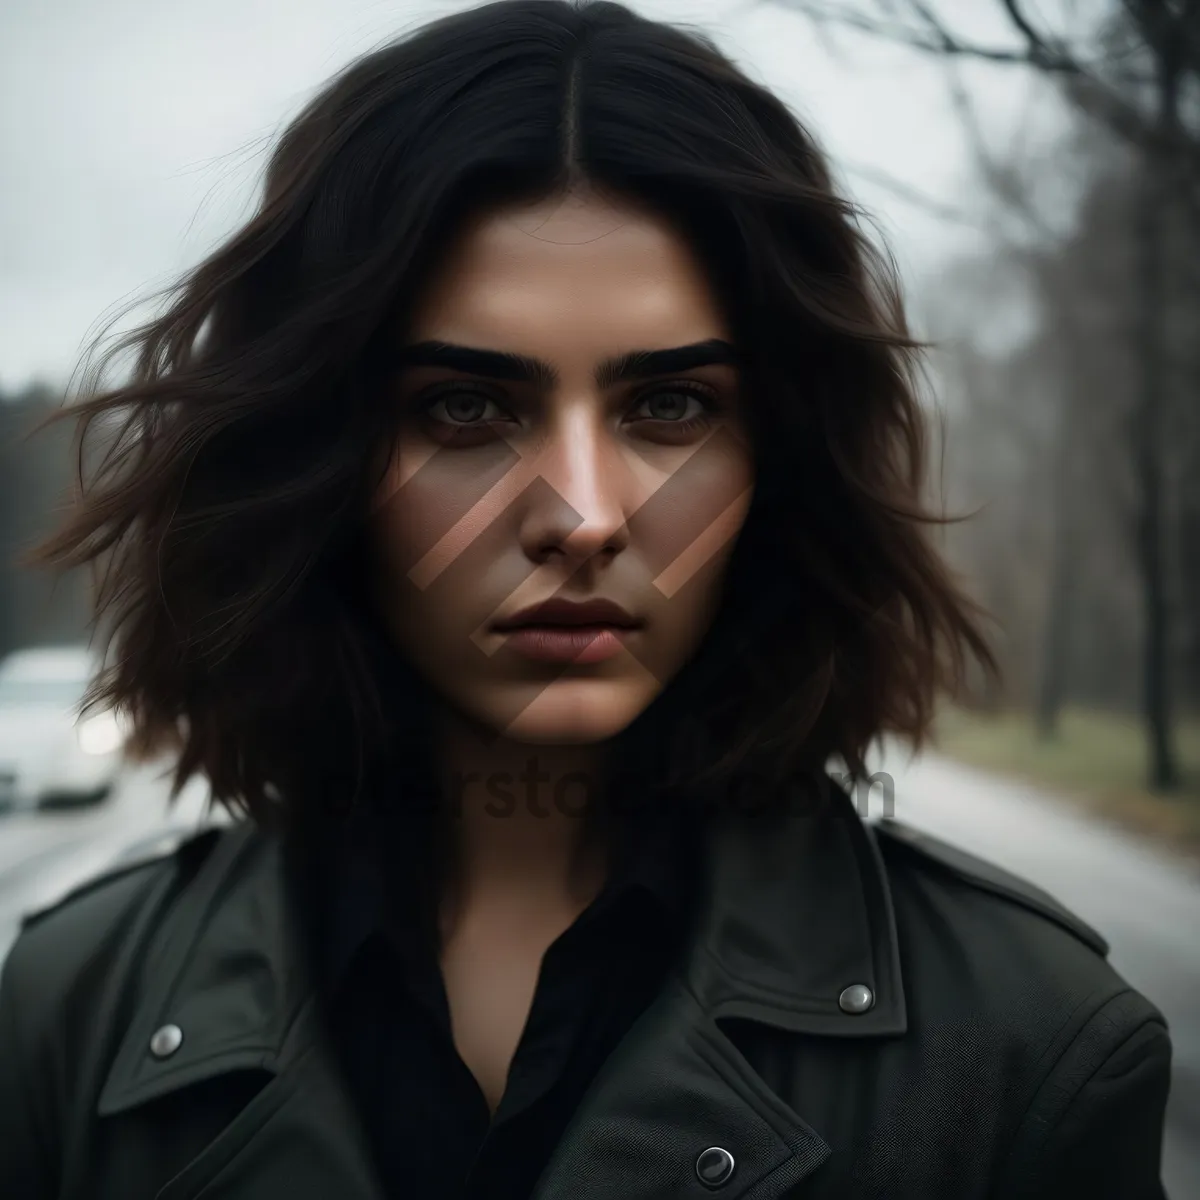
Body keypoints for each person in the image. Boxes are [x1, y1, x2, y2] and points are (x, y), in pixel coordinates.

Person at [0, 2, 1172, 1197]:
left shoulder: (1032, 1049)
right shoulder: (62, 1016)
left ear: (782, 460)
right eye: (465, 408)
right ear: (316, 459)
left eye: (669, 407)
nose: (583, 515)